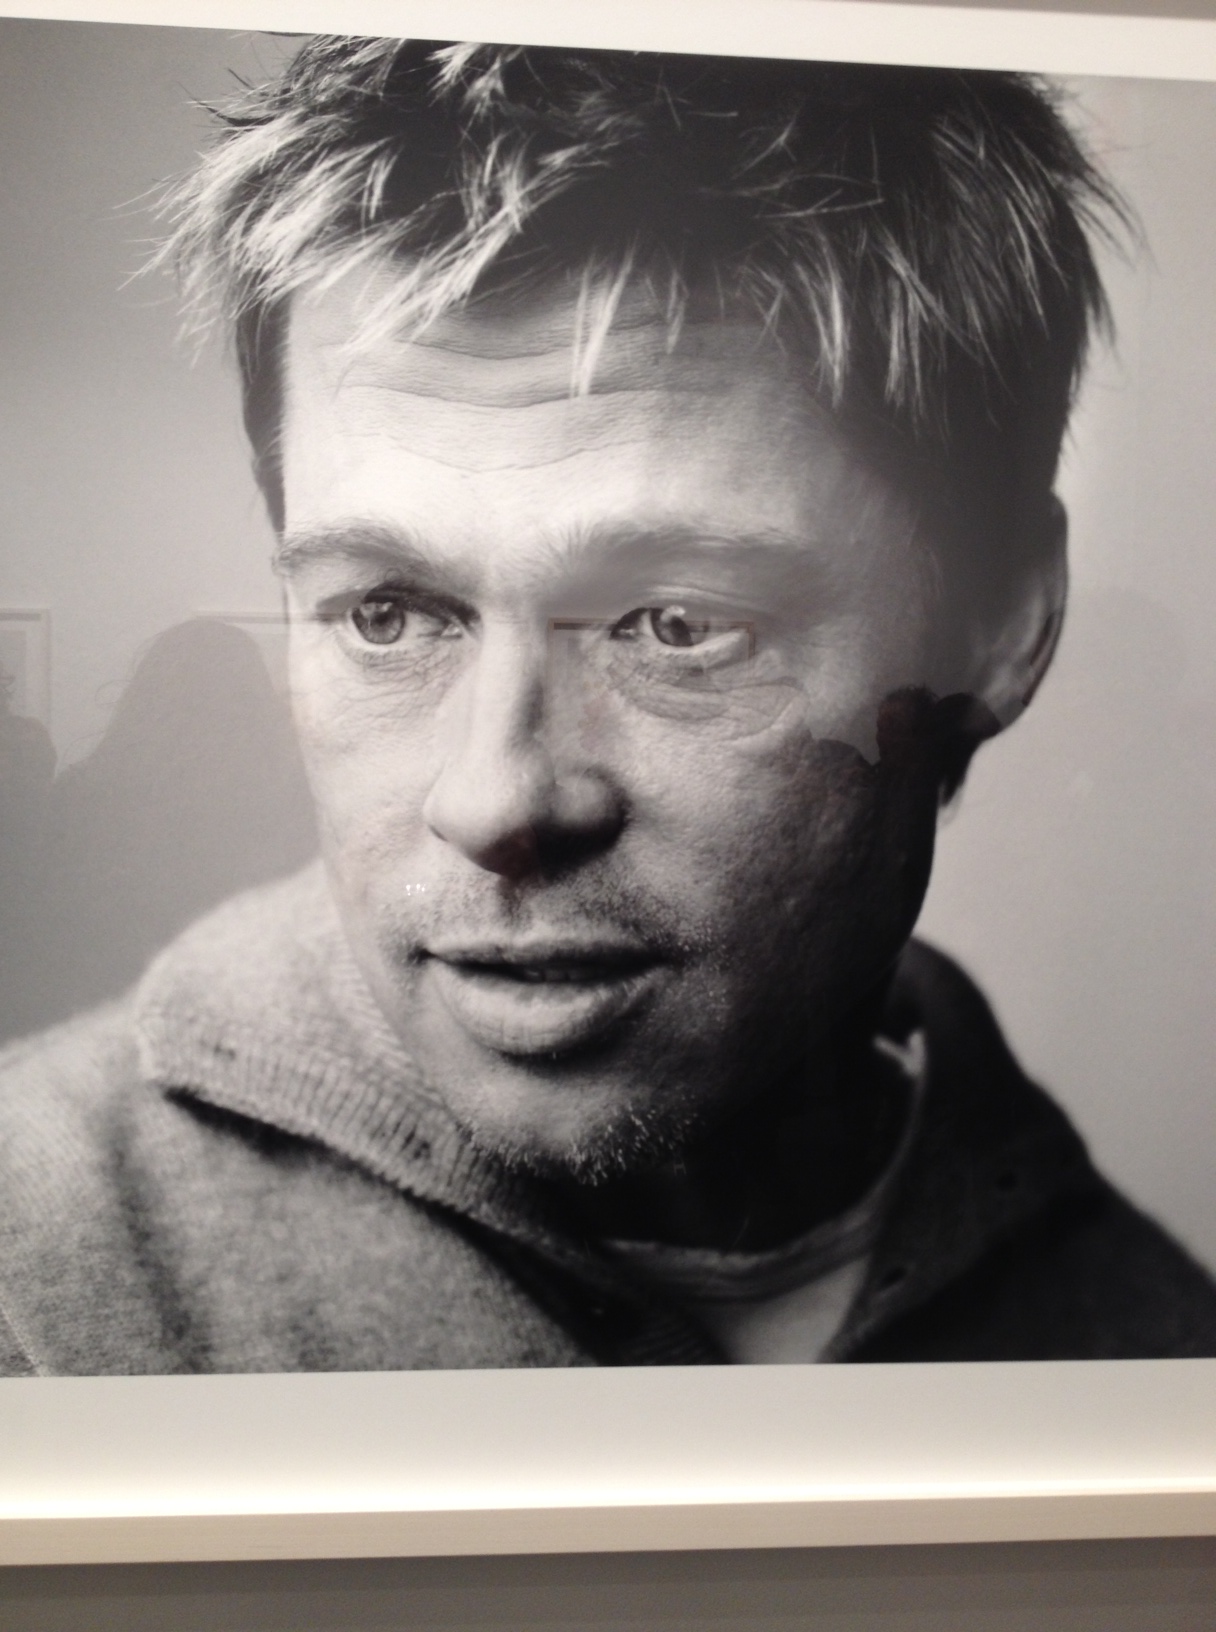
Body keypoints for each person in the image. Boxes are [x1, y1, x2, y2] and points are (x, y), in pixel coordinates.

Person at [1, 38, 1214, 1376]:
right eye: (388, 613)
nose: (496, 800)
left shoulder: (1152, 1352)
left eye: (678, 624)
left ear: (997, 624)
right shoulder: (32, 1280)